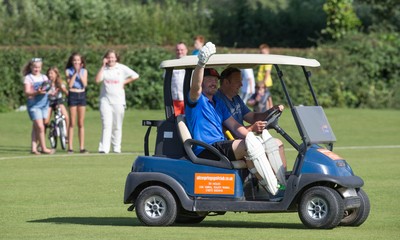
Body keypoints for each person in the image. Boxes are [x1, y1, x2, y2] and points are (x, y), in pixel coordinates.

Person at [185, 42, 283, 195]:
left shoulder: (218, 104)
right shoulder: (196, 101)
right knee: (250, 146)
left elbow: (236, 126)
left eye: (215, 79)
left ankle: (273, 187)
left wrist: (255, 136)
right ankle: (274, 189)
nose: (213, 82)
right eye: (209, 78)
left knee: (264, 144)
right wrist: (201, 64)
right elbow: (195, 87)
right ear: (201, 80)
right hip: (205, 148)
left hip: (220, 146)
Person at [215, 67, 287, 170]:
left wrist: (271, 111)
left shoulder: (236, 98)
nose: (241, 84)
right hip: (231, 143)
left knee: (278, 144)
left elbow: (253, 117)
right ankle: (276, 183)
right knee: (273, 146)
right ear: (226, 82)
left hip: (242, 139)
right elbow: (229, 131)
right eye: (238, 81)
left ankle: (282, 182)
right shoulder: (217, 101)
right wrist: (251, 128)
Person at [95, 50, 139, 154]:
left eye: (112, 57)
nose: (111, 59)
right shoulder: (104, 69)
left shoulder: (121, 68)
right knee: (106, 124)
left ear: (116, 58)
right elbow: (97, 80)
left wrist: (124, 82)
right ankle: (104, 149)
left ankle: (116, 148)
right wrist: (102, 66)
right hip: (105, 101)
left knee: (117, 125)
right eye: (109, 57)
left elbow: (135, 75)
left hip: (118, 101)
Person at [22, 58, 54, 155]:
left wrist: (51, 91)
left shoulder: (44, 77)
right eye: (35, 67)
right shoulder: (28, 78)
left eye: (39, 67)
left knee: (37, 126)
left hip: (44, 104)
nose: (37, 69)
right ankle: (44, 148)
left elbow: (48, 88)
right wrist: (37, 92)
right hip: (34, 105)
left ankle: (34, 148)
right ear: (31, 67)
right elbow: (27, 92)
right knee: (40, 127)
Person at [65, 52, 88, 154]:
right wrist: (74, 73)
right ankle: (70, 147)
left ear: (81, 62)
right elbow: (70, 85)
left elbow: (85, 84)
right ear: (72, 61)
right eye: (75, 60)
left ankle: (82, 147)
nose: (76, 62)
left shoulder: (84, 71)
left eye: (78, 60)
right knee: (72, 123)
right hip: (73, 95)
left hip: (81, 95)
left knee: (81, 123)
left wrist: (79, 73)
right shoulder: (68, 71)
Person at [44, 67, 69, 134]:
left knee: (66, 117)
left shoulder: (60, 82)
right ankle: (41, 139)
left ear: (56, 74)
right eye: (49, 73)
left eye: (52, 73)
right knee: (45, 121)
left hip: (58, 101)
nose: (50, 75)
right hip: (48, 102)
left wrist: (68, 95)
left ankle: (67, 135)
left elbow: (66, 92)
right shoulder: (46, 83)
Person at [171, 42, 188, 116]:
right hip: (175, 100)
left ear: (186, 50)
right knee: (175, 122)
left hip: (188, 100)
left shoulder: (192, 63)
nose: (179, 52)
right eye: (178, 50)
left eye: (182, 50)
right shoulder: (171, 64)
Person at [257, 43, 273, 109]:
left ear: (268, 52)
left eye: (263, 53)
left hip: (265, 83)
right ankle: (269, 110)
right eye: (261, 53)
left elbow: (267, 73)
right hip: (262, 82)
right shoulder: (263, 61)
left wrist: (263, 83)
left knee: (266, 98)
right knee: (267, 98)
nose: (262, 54)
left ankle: (269, 110)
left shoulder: (267, 61)